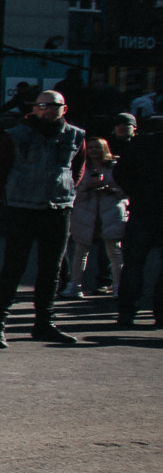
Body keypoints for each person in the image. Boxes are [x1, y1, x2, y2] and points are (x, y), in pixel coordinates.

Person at [0, 90, 85, 348]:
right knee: (13, 268)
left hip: (57, 209)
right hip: (22, 208)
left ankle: (44, 324)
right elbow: (0, 171)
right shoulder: (15, 135)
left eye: (54, 105)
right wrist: (15, 193)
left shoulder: (76, 135)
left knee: (51, 270)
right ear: (34, 108)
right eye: (43, 105)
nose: (48, 110)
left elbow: (77, 169)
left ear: (65, 108)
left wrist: (64, 190)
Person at [63, 138, 125, 298]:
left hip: (110, 212)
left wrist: (111, 189)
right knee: (80, 252)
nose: (94, 150)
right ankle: (75, 285)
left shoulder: (115, 166)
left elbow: (125, 189)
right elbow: (73, 191)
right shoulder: (82, 168)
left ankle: (118, 286)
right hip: (86, 213)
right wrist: (87, 186)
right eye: (90, 147)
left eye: (97, 147)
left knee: (114, 251)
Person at [116, 115, 162, 328]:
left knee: (133, 264)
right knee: (137, 264)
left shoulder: (142, 143)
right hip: (147, 209)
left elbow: (120, 172)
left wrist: (137, 192)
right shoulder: (144, 143)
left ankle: (127, 312)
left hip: (143, 209)